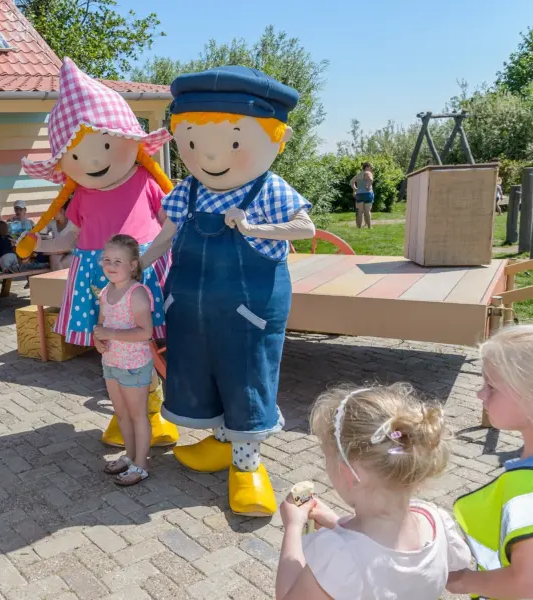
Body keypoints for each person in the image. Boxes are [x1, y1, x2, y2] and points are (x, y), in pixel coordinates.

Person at [140, 65, 315, 516]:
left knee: (247, 379)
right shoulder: (188, 191)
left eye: (234, 141)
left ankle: (249, 468)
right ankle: (220, 444)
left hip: (249, 309)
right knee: (201, 374)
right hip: (192, 308)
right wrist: (131, 266)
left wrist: (253, 224)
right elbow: (164, 238)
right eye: (193, 142)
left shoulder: (268, 189)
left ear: (276, 138)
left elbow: (304, 227)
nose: (209, 156)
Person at [18, 58, 179, 449]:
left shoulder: (144, 179)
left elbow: (173, 224)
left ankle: (151, 410)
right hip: (95, 275)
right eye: (79, 153)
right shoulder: (81, 194)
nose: (93, 160)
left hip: (142, 268)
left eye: (105, 145)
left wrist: (156, 255)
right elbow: (71, 238)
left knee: (146, 340)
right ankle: (123, 409)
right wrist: (38, 244)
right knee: (109, 343)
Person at [275, 384, 472, 599]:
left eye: (326, 454)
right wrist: (335, 523)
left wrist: (294, 527)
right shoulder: (437, 524)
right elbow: (381, 554)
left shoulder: (340, 559)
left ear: (349, 473)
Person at [447, 325, 533, 598]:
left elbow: (526, 584)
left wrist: (460, 580)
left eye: (491, 386)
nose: (480, 394)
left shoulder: (525, 486)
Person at [95, 235, 155, 486]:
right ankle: (129, 456)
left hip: (133, 366)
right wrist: (97, 338)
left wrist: (111, 334)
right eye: (107, 259)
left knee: (137, 415)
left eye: (118, 260)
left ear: (132, 265)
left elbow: (145, 332)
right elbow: (101, 323)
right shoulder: (106, 291)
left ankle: (141, 464)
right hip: (111, 363)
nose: (111, 264)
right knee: (121, 414)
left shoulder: (137, 294)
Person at [41, 204, 75, 271]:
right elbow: (41, 232)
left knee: (61, 264)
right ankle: (59, 280)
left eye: (54, 211)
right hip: (58, 251)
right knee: (53, 258)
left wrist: (55, 252)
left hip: (72, 252)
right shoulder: (52, 223)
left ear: (61, 211)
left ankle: (60, 280)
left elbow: (72, 246)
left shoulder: (72, 223)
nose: (52, 214)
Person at [350, 162, 374, 229]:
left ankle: (359, 227)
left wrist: (354, 188)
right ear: (367, 167)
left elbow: (351, 181)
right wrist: (368, 186)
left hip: (359, 194)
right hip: (367, 193)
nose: (372, 168)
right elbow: (371, 179)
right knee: (367, 211)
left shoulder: (359, 174)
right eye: (371, 167)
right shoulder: (368, 173)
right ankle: (369, 227)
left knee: (359, 211)